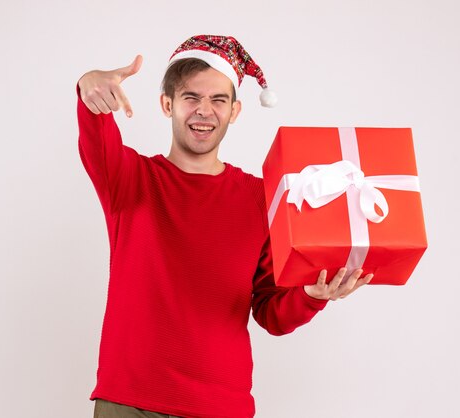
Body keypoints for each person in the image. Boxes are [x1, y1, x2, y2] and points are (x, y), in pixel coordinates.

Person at [77, 35, 372, 418]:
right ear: (167, 104)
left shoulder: (262, 199)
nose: (204, 111)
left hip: (220, 407)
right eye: (190, 98)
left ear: (235, 111)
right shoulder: (130, 178)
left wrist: (312, 295)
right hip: (129, 403)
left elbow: (270, 312)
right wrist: (89, 86)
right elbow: (96, 136)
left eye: (218, 100)